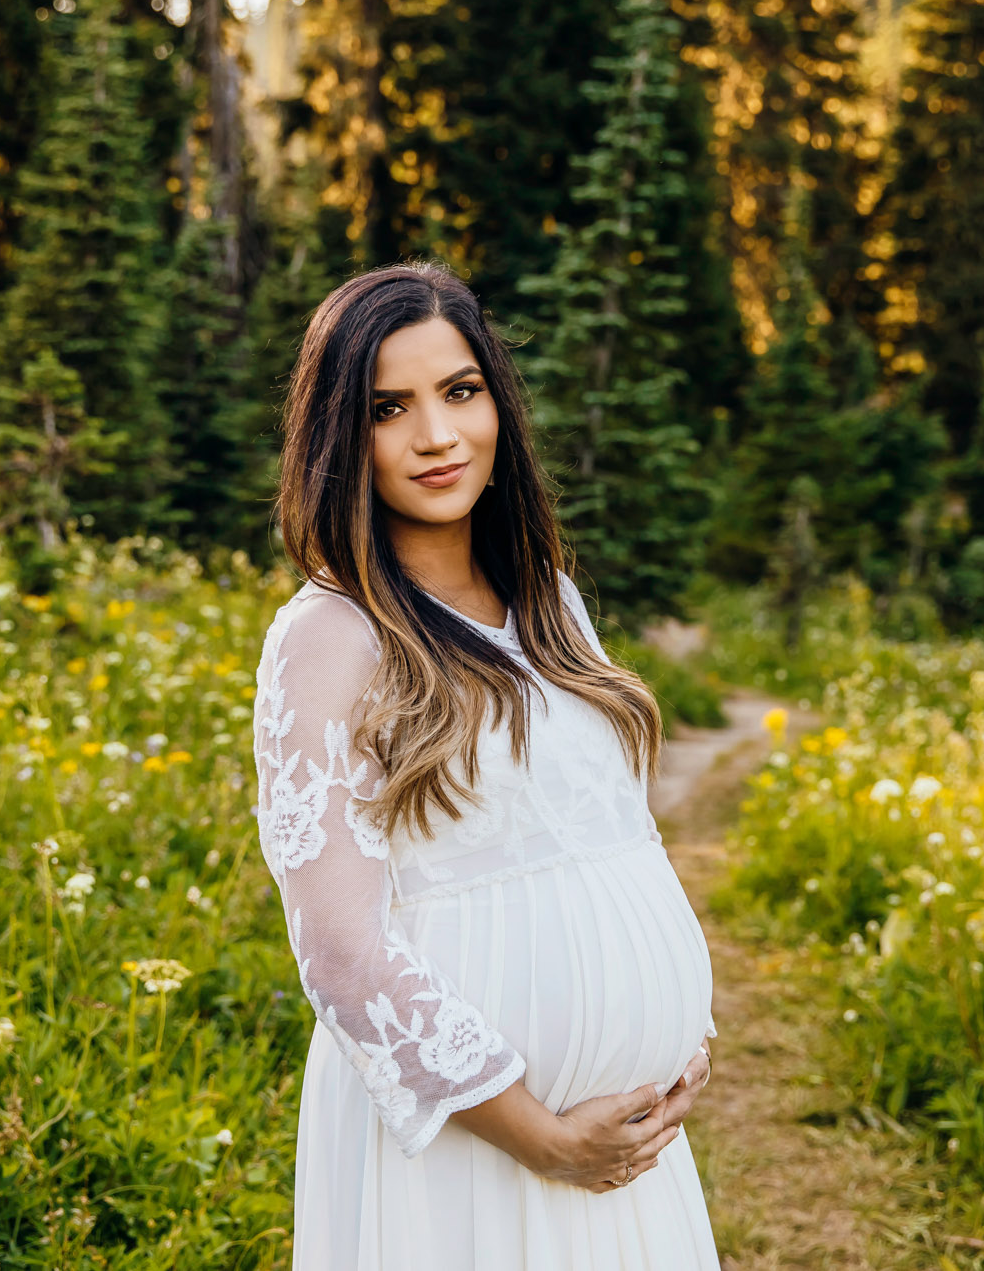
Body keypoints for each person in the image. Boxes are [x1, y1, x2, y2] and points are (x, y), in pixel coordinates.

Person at [251, 261, 719, 1269]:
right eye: (389, 407)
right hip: (465, 1149)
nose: (435, 435)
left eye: (459, 391)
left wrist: (678, 1023)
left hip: (626, 1149)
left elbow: (607, 834)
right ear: (341, 437)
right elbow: (338, 951)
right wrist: (537, 1135)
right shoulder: (328, 636)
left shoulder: (548, 600)